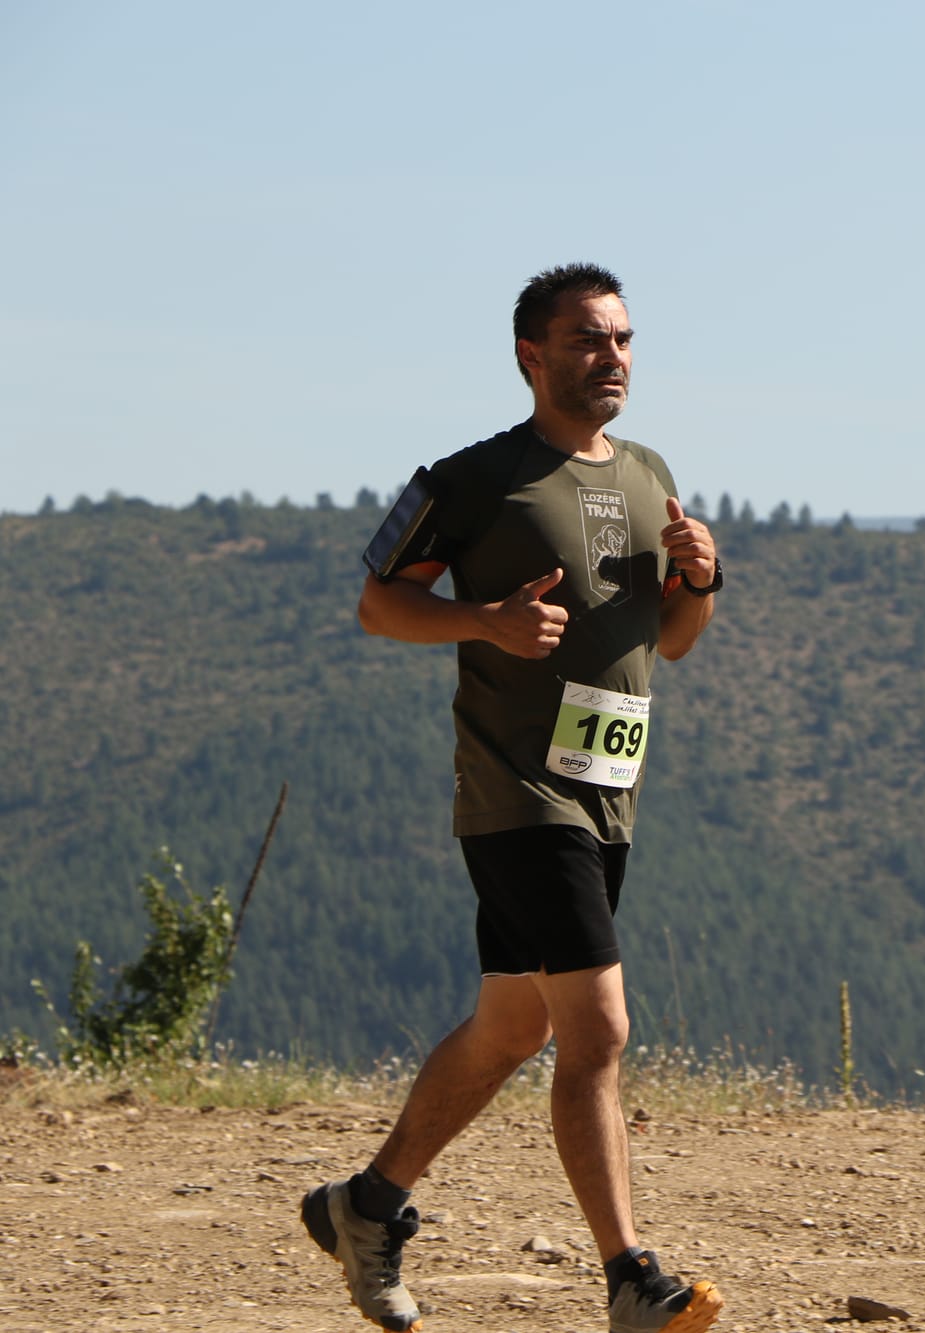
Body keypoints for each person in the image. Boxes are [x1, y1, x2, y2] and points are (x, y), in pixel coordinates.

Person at [302, 263, 725, 1333]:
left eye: (624, 338)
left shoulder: (649, 473)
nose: (612, 356)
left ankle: (368, 1203)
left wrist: (701, 580)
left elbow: (669, 642)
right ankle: (631, 1278)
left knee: (511, 1028)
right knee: (598, 1029)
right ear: (530, 355)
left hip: (606, 793)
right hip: (518, 794)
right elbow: (376, 606)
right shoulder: (472, 478)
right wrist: (480, 620)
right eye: (588, 339)